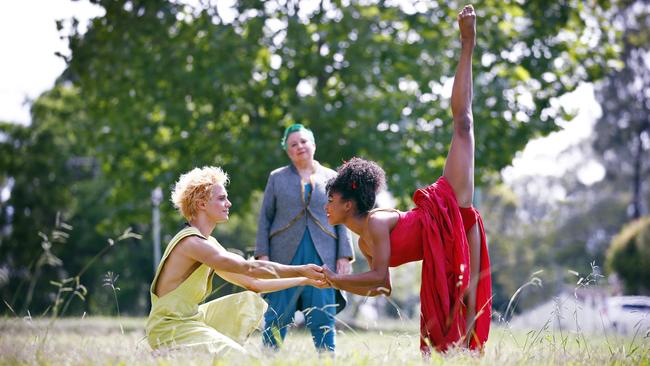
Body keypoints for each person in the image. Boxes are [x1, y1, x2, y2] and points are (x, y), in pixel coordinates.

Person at [322, 5, 491, 354]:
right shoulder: (364, 244)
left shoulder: (377, 224)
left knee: (463, 125)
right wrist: (332, 280)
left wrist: (335, 278)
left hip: (446, 209)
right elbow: (380, 285)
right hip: (441, 246)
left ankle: (467, 42)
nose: (326, 207)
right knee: (463, 317)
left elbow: (376, 277)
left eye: (331, 200)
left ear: (349, 203)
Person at [146, 166, 326, 358]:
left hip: (190, 319)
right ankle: (172, 353)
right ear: (201, 204)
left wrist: (304, 280)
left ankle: (201, 353)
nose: (229, 203)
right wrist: (301, 269)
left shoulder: (208, 243)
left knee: (249, 301)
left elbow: (253, 284)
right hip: (169, 328)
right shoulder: (192, 243)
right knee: (240, 358)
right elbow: (250, 268)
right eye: (221, 198)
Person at [255, 124, 354, 352]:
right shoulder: (276, 178)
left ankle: (327, 358)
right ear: (288, 151)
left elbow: (343, 217)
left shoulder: (333, 177)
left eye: (303, 141)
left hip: (324, 254)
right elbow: (264, 218)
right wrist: (262, 255)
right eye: (293, 144)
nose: (299, 146)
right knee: (277, 313)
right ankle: (268, 358)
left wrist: (344, 256)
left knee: (322, 314)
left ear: (313, 145)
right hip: (283, 255)